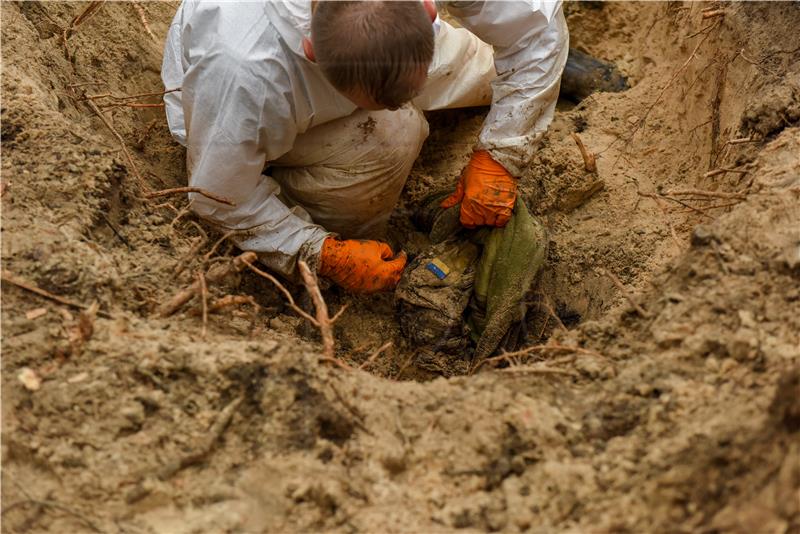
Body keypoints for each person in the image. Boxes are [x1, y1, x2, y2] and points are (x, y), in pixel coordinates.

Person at [161, 0, 568, 293]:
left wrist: (501, 155)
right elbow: (217, 195)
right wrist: (319, 251)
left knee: (491, 66)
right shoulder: (243, 76)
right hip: (247, 112)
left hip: (375, 43)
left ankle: (538, 71)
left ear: (428, 10)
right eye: (379, 99)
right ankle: (350, 239)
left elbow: (535, 26)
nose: (402, 103)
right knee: (393, 135)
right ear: (313, 53)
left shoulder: (407, 20)